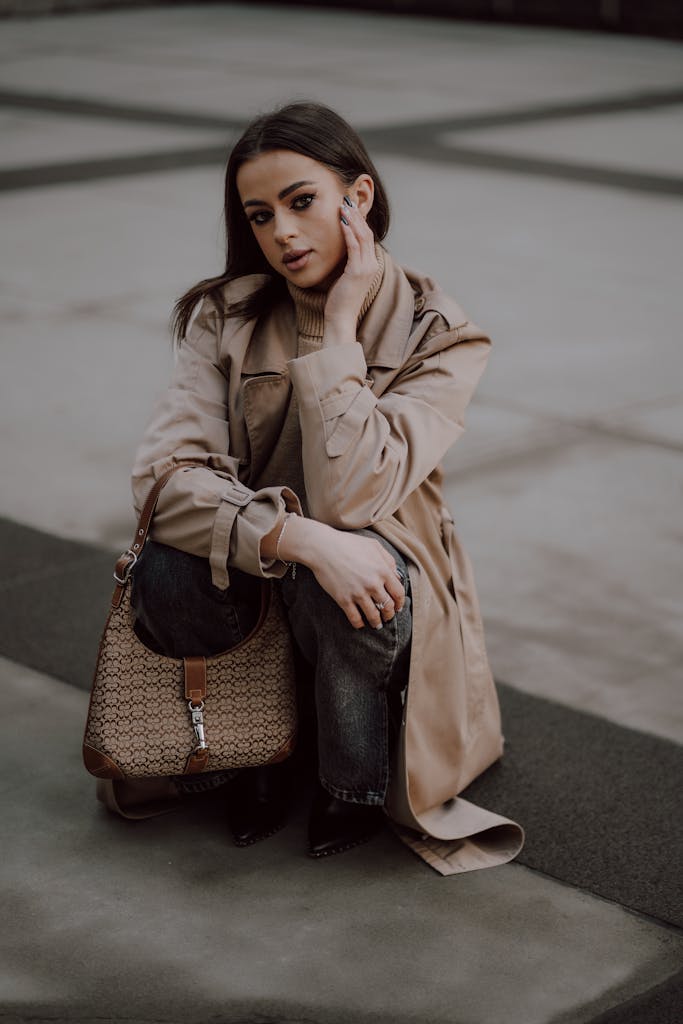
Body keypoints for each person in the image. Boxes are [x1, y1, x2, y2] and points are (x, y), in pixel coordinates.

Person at [129, 102, 522, 870]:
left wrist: (338, 330)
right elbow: (162, 480)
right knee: (168, 569)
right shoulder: (228, 316)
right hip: (259, 561)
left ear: (359, 198)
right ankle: (254, 756)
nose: (281, 232)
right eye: (260, 214)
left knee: (351, 575)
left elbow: (351, 500)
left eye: (301, 201)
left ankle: (353, 781)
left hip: (376, 571)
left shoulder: (438, 332)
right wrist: (297, 537)